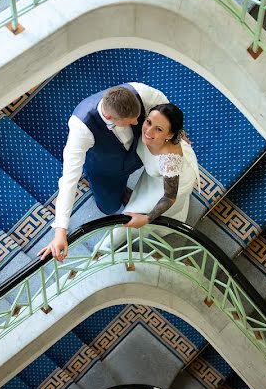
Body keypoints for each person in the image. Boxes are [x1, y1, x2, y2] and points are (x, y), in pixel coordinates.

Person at [38, 83, 167, 262]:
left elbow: (165, 107)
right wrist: (61, 232)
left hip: (136, 154)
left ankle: (126, 189)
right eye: (130, 121)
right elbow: (68, 179)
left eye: (138, 117)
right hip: (105, 169)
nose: (137, 123)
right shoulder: (81, 128)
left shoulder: (141, 92)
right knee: (109, 207)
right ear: (108, 116)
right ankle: (119, 191)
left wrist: (176, 132)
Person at [96, 103, 200, 254]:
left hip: (173, 184)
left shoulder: (169, 161)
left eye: (159, 129)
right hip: (155, 175)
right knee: (142, 191)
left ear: (170, 135)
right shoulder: (145, 122)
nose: (148, 131)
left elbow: (170, 197)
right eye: (149, 122)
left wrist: (146, 218)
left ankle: (101, 251)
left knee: (134, 215)